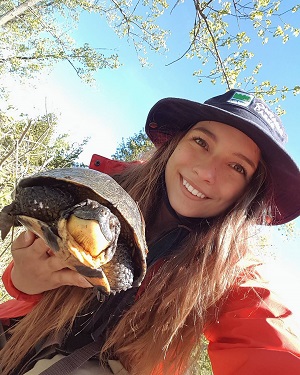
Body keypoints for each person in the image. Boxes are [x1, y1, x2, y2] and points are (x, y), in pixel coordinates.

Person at [1, 89, 300, 375]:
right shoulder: (101, 189)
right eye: (201, 142)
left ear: (248, 192)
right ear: (176, 142)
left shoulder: (232, 272)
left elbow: (272, 343)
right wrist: (22, 280)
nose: (207, 173)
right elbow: (32, 262)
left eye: (237, 167)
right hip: (20, 327)